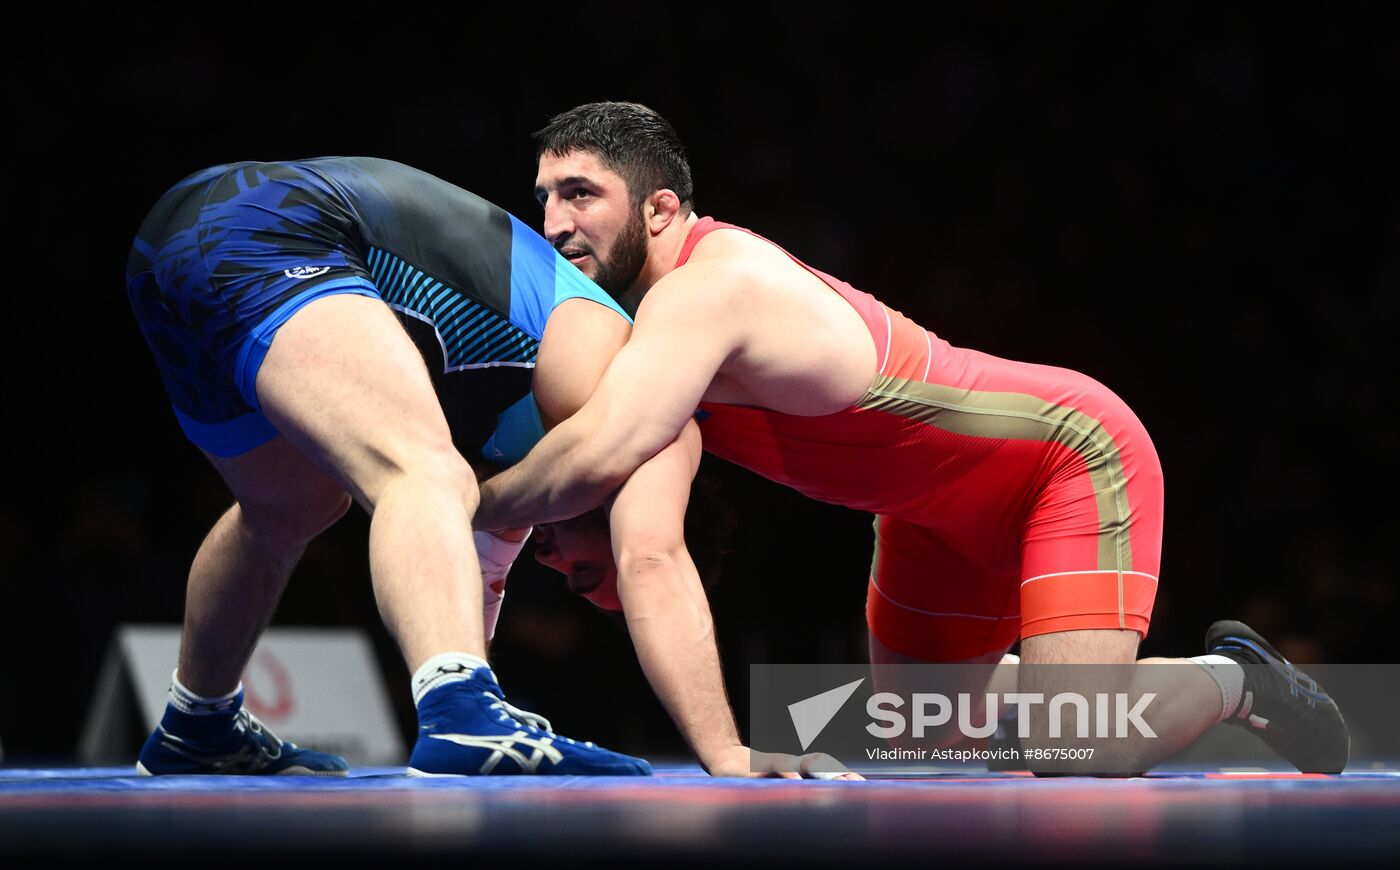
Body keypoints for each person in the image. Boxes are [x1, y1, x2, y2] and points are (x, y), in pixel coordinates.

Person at [477, 102, 1349, 776]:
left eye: (581, 193)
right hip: (926, 515)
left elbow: (598, 454)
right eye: (544, 198)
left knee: (1075, 744)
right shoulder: (638, 329)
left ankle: (1237, 678)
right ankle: (1081, 684)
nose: (554, 223)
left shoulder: (712, 288)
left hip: (1066, 457)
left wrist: (462, 507)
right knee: (927, 730)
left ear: (661, 208)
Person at [125, 157, 654, 776]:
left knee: (290, 505)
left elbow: (480, 570)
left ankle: (198, 720)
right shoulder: (605, 364)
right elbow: (485, 503)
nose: (555, 566)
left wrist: (486, 690)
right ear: (627, 520)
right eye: (586, 570)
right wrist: (724, 748)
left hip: (170, 248)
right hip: (266, 222)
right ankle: (460, 716)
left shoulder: (536, 457)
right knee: (422, 469)